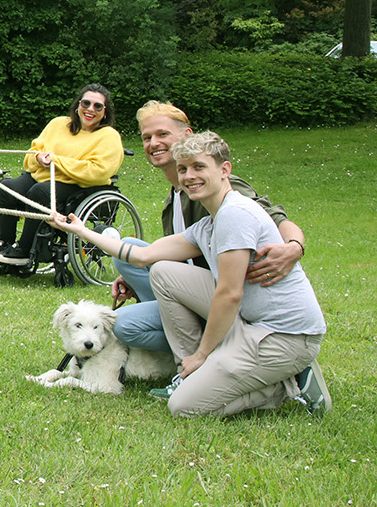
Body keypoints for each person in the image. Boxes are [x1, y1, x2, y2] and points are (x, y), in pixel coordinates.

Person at [51, 131, 328, 418]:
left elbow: (230, 294)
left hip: (285, 336)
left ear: (225, 170)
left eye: (199, 167)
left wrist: (202, 354)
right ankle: (191, 372)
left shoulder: (235, 215)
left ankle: (286, 386)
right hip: (250, 323)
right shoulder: (209, 223)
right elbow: (144, 255)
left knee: (184, 407)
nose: (188, 176)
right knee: (163, 271)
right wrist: (81, 230)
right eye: (182, 169)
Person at [111, 101, 307, 353]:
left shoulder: (219, 186)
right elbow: (179, 257)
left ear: (186, 136)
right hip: (196, 285)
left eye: (162, 134)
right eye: (146, 137)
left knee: (126, 324)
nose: (153, 143)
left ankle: (208, 346)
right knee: (129, 253)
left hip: (228, 292)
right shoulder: (175, 198)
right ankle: (183, 327)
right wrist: (134, 278)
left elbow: (274, 217)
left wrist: (294, 246)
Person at [0, 84, 124, 274]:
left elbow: (99, 171)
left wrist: (57, 161)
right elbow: (31, 156)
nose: (90, 109)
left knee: (39, 192)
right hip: (42, 176)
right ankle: (4, 243)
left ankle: (24, 249)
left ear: (105, 112)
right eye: (86, 103)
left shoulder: (109, 136)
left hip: (77, 185)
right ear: (78, 105)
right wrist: (38, 158)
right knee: (6, 189)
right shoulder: (58, 124)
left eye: (98, 106)